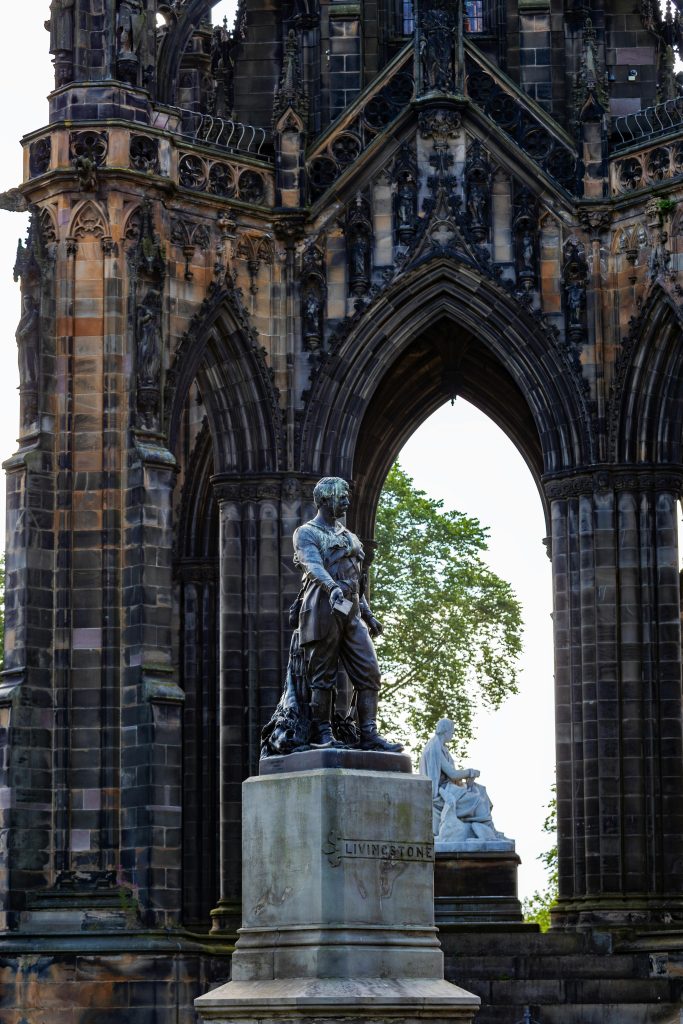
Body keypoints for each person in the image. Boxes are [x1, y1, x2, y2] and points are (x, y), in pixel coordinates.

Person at [292, 476, 403, 752]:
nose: (347, 501)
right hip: (322, 608)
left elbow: (356, 580)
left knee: (370, 672)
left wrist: (367, 613)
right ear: (325, 499)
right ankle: (322, 733)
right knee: (322, 676)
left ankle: (369, 734)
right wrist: (331, 587)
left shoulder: (349, 536)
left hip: (351, 612)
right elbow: (312, 565)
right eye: (342, 496)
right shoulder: (307, 532)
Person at [419, 717, 501, 839]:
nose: (453, 734)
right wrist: (470, 772)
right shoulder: (434, 748)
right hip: (442, 792)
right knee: (477, 799)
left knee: (481, 790)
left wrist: (465, 781)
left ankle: (490, 829)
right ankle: (487, 832)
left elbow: (452, 775)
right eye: (452, 731)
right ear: (445, 731)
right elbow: (452, 774)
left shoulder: (442, 747)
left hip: (449, 787)